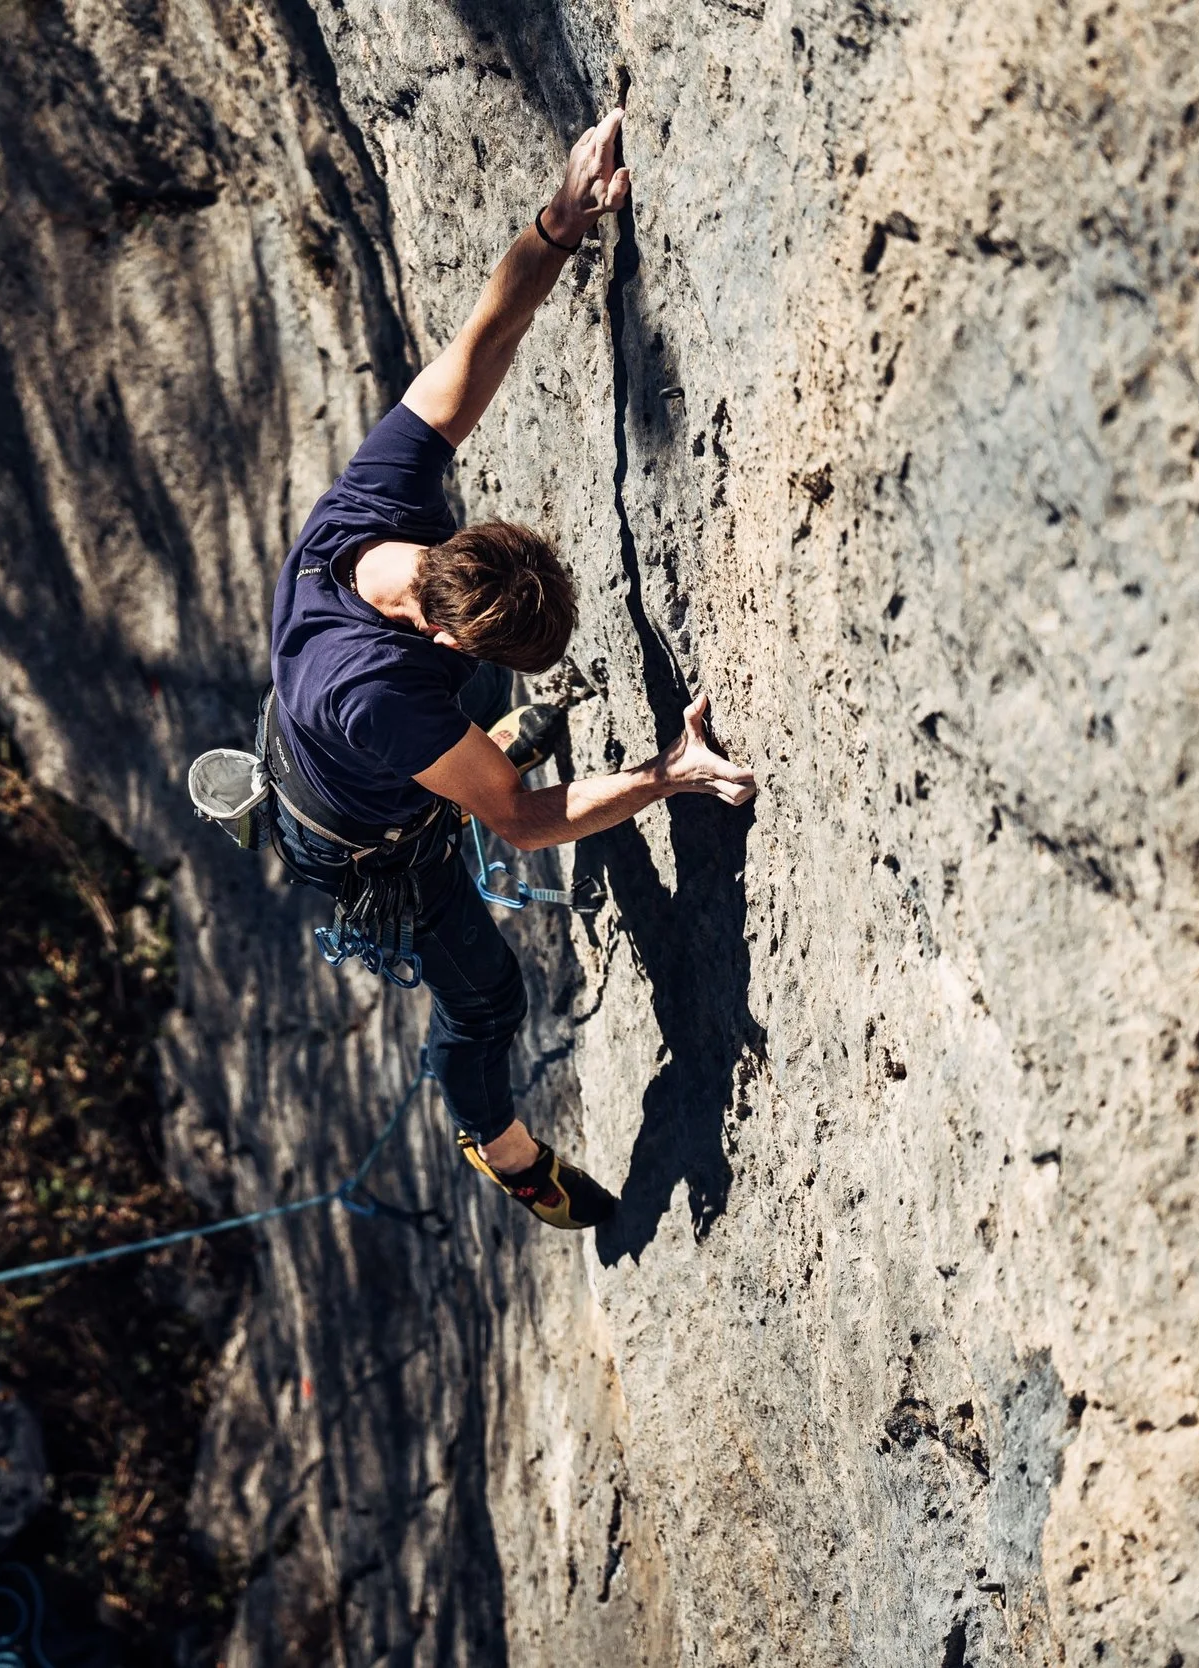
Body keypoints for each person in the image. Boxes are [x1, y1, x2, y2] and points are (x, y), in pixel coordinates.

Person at [268, 108, 758, 1231]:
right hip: (358, 830)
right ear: (444, 635)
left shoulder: (382, 508)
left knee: (483, 735)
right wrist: (667, 774)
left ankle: (492, 729)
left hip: (371, 738)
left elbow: (479, 346)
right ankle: (496, 1144)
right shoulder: (378, 689)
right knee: (489, 997)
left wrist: (560, 221)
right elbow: (523, 823)